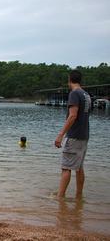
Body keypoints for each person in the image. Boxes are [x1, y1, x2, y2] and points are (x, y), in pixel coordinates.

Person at [55, 70, 91, 199]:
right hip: (84, 135)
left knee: (66, 167)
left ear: (69, 79)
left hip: (74, 136)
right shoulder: (86, 94)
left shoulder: (74, 94)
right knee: (79, 167)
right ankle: (79, 196)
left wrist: (60, 135)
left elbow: (73, 116)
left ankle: (60, 197)